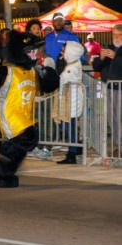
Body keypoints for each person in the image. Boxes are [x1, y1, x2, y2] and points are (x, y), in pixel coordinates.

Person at [0, 31, 59, 188]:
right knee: (28, 137)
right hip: (8, 114)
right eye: (32, 50)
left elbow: (47, 88)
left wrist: (51, 77)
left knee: (20, 151)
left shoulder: (32, 71)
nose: (36, 54)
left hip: (25, 115)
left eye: (37, 50)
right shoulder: (6, 70)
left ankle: (3, 175)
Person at [52, 41, 85, 164]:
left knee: (68, 125)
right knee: (68, 125)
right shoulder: (73, 63)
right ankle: (76, 147)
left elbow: (61, 80)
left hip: (71, 99)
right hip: (70, 98)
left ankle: (72, 152)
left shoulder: (71, 67)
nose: (62, 52)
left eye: (64, 50)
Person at [92, 24, 122, 157]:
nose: (116, 37)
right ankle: (118, 145)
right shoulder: (108, 47)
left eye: (119, 35)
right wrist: (102, 57)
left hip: (120, 88)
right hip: (108, 88)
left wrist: (116, 57)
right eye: (114, 34)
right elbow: (96, 66)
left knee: (119, 118)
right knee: (112, 119)